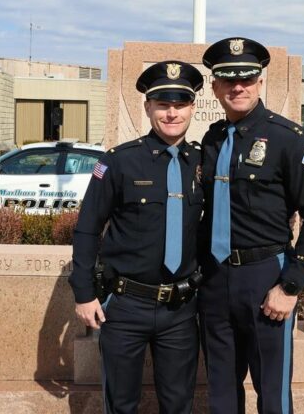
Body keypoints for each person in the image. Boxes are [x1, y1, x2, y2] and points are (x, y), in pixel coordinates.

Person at [198, 37, 304, 414]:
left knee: (272, 396)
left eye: (246, 78)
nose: (237, 86)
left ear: (260, 83)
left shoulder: (289, 139)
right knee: (221, 396)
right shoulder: (211, 140)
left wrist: (291, 285)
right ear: (216, 87)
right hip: (214, 281)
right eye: (228, 79)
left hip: (266, 280)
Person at [68, 60, 204, 414]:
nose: (171, 113)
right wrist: (84, 294)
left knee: (178, 404)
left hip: (181, 308)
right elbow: (87, 228)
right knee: (122, 403)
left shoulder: (201, 162)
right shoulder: (118, 162)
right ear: (148, 108)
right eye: (162, 104)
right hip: (126, 305)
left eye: (180, 104)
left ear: (191, 108)